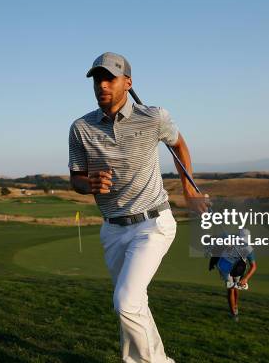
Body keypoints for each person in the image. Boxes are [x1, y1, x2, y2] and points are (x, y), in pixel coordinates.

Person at [68, 52, 207, 362]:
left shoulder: (154, 117)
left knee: (126, 303)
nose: (102, 85)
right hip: (112, 229)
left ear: (127, 83)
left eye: (109, 78)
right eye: (97, 79)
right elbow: (75, 178)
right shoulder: (80, 128)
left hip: (152, 223)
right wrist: (87, 183)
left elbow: (178, 144)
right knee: (132, 305)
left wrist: (188, 189)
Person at [208, 228, 257, 322]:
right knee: (231, 289)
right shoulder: (230, 239)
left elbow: (254, 266)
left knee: (236, 287)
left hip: (239, 267)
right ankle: (234, 314)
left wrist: (246, 279)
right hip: (226, 266)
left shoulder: (249, 249)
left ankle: (235, 305)